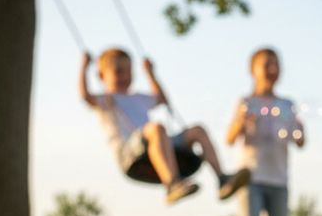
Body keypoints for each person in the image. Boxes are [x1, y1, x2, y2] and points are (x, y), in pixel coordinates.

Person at [81, 48, 249, 204]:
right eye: (118, 71)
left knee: (198, 130)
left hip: (155, 144)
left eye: (129, 71)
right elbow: (85, 96)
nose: (125, 76)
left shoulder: (138, 97)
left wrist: (150, 74)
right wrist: (84, 66)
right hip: (129, 153)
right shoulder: (105, 100)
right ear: (101, 75)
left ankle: (222, 179)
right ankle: (172, 184)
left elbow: (162, 99)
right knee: (156, 128)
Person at [225, 48, 304, 216]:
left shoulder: (287, 105)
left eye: (275, 64)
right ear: (253, 70)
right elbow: (230, 138)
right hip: (250, 177)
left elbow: (300, 141)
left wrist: (299, 130)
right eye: (266, 64)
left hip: (278, 179)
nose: (272, 69)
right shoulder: (246, 102)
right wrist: (241, 122)